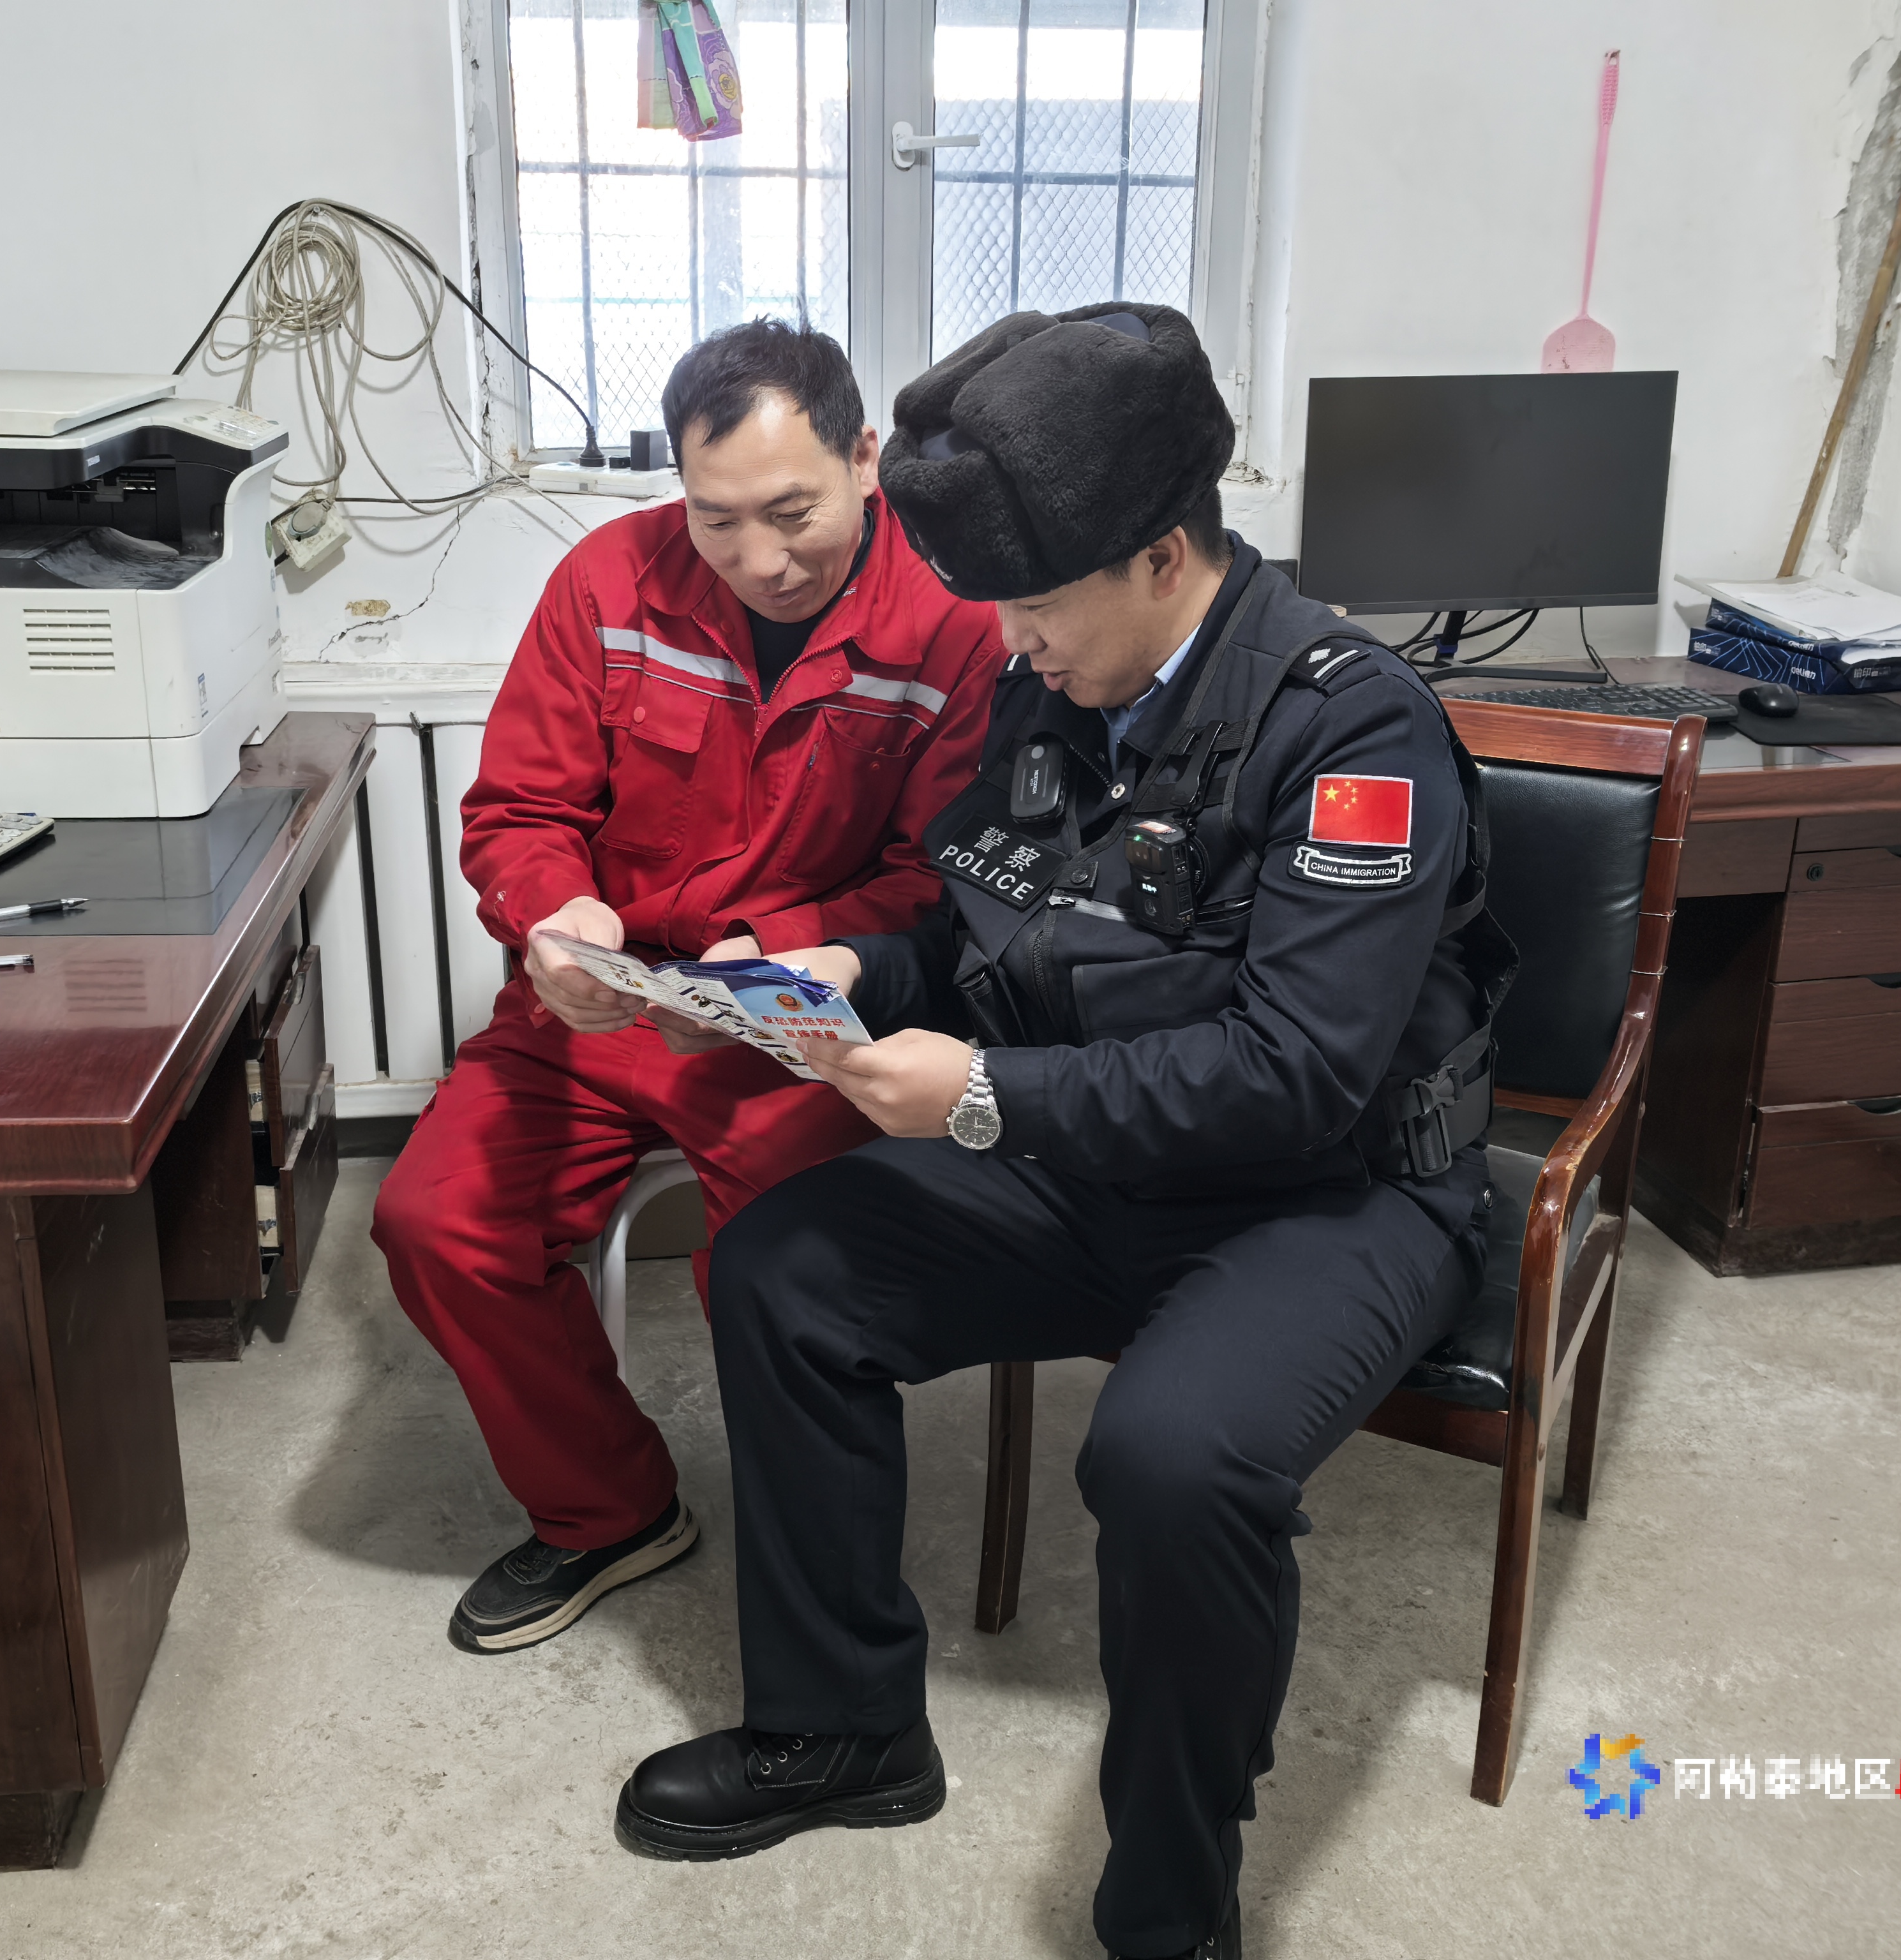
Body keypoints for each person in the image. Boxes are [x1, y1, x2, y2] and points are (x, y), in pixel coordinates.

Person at [611, 304, 1516, 1960]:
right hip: (1101, 1161)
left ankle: (1171, 1909)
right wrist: (846, 975)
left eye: (1034, 609)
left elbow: (1297, 1075)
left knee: (1169, 1458)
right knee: (781, 1270)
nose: (1011, 645)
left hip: (1328, 1202)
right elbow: (990, 935)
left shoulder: (1353, 727)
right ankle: (844, 1728)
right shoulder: (1062, 688)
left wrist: (977, 1095)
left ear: (1163, 558)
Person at [370, 320, 1004, 1656]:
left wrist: (780, 945)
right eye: (717, 520)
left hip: (795, 1023)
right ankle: (607, 1510)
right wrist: (554, 918)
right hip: (600, 1004)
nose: (759, 559)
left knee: (786, 1276)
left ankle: (810, 1565)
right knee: (436, 1223)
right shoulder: (607, 581)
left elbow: (940, 879)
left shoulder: (954, 625)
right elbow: (519, 810)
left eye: (792, 513)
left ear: (865, 459)